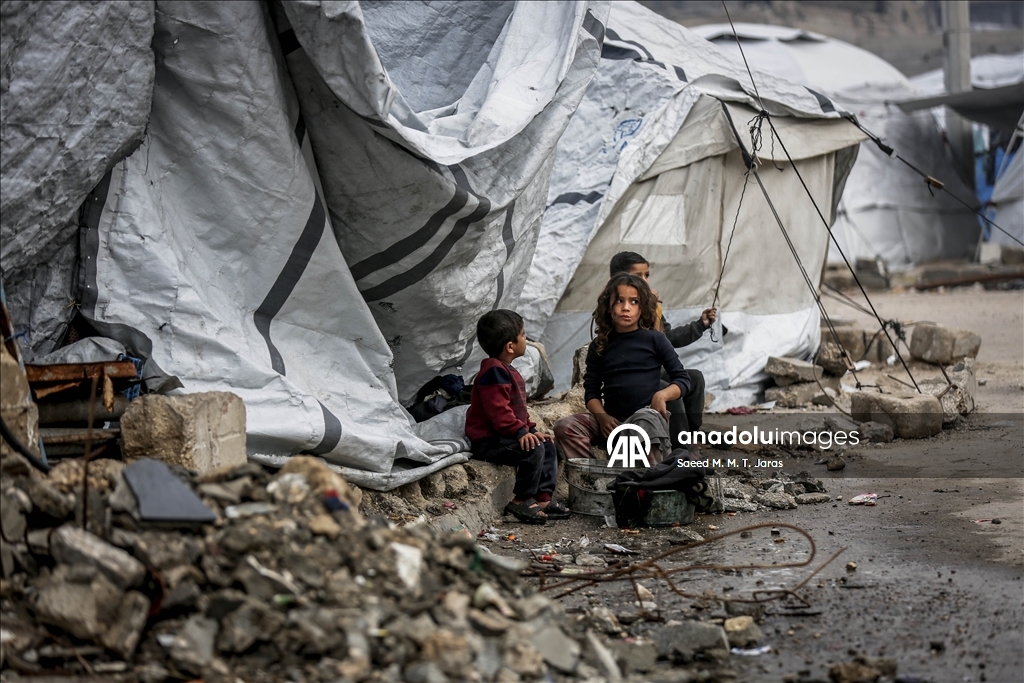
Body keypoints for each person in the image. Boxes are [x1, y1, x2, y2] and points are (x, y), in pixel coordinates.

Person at [553, 273, 690, 464]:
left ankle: (648, 480)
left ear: (643, 307)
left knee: (641, 426)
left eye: (634, 302)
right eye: (619, 301)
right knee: (565, 426)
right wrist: (602, 418)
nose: (626, 307)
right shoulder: (599, 346)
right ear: (608, 306)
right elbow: (591, 392)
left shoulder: (655, 339)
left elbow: (683, 380)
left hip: (646, 418)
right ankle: (593, 475)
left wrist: (662, 396)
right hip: (613, 421)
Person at [465, 310, 568, 524]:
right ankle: (521, 499)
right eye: (523, 335)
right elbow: (499, 412)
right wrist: (520, 432)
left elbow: (518, 411)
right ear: (510, 346)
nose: (526, 339)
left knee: (548, 445)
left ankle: (542, 498)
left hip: (507, 435)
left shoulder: (508, 370)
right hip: (490, 441)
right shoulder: (493, 371)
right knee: (534, 450)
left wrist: (530, 430)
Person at [609, 251, 712, 453]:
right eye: (639, 276)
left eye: (647, 276)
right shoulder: (618, 308)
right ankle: (678, 446)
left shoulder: (648, 305)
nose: (645, 282)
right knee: (668, 389)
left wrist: (701, 325)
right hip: (632, 376)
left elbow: (668, 338)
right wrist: (649, 307)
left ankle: (690, 433)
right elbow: (650, 339)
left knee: (695, 378)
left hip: (652, 371)